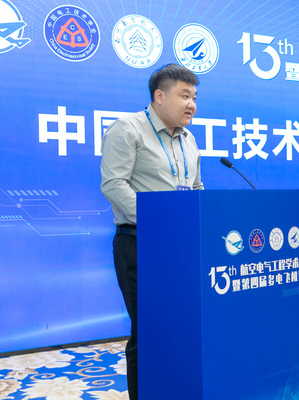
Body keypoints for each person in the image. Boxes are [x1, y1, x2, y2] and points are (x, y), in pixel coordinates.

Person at [100, 64, 204, 400]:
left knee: (179, 326)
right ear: (159, 96)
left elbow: (195, 187)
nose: (192, 105)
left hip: (181, 245)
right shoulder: (127, 129)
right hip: (140, 243)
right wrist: (158, 221)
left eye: (194, 97)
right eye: (184, 96)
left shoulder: (189, 139)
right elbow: (114, 184)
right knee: (148, 331)